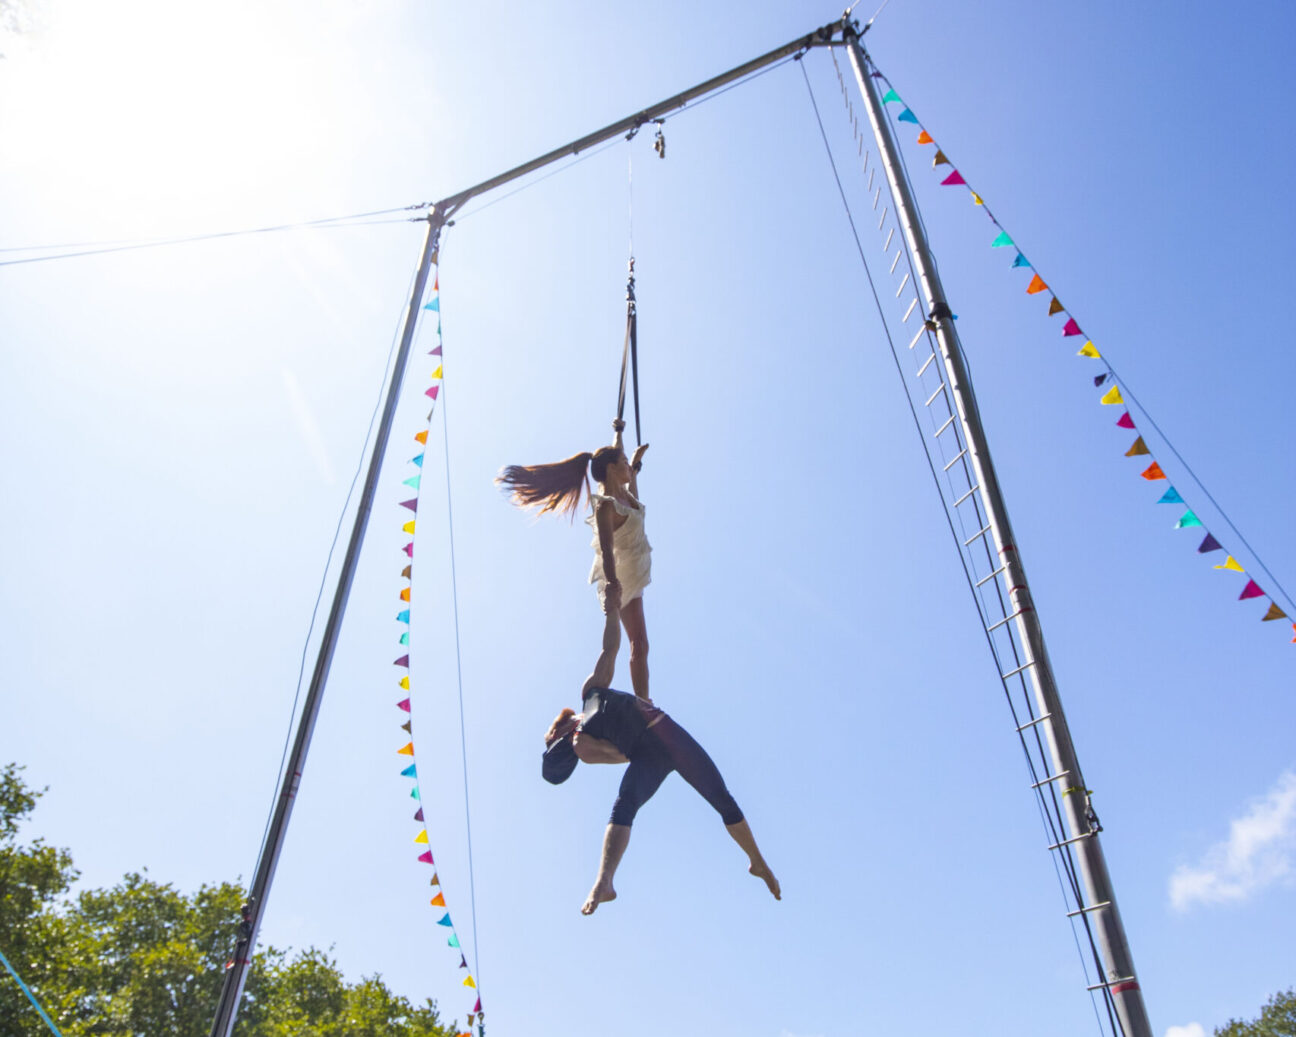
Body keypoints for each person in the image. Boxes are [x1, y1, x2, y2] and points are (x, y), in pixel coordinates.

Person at [541, 590, 780, 914]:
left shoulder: (591, 693)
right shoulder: (581, 745)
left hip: (668, 735)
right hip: (649, 751)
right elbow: (622, 755)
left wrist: (611, 610)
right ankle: (603, 881)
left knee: (721, 797)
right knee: (625, 804)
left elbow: (609, 649)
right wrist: (598, 741)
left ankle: (757, 862)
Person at [497, 419, 653, 698]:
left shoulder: (628, 494)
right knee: (623, 646)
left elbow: (616, 454)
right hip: (619, 576)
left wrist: (618, 433)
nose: (630, 466)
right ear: (611, 469)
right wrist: (613, 587)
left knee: (641, 645)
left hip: (636, 570)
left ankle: (645, 702)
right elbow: (606, 549)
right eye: (625, 462)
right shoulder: (607, 507)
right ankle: (616, 696)